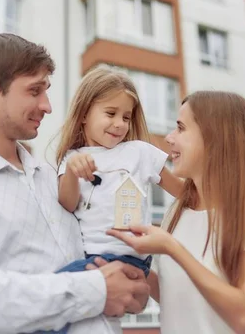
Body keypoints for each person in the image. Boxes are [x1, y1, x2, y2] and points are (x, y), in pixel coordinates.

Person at [0, 34, 150, 334]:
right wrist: (97, 290)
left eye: (46, 91)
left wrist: (132, 287)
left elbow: (103, 262)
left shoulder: (57, 180)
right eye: (34, 91)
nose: (47, 106)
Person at [108, 91, 245, 334]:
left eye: (181, 128)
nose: (169, 139)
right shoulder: (178, 212)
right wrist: (124, 260)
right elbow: (175, 296)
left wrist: (172, 248)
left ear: (215, 137)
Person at [47, 67, 183, 334]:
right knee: (61, 312)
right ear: (84, 113)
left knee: (50, 297)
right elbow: (67, 203)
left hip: (125, 256)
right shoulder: (73, 157)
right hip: (95, 260)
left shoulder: (138, 153)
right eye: (110, 114)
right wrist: (73, 172)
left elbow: (183, 191)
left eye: (126, 117)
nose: (120, 124)